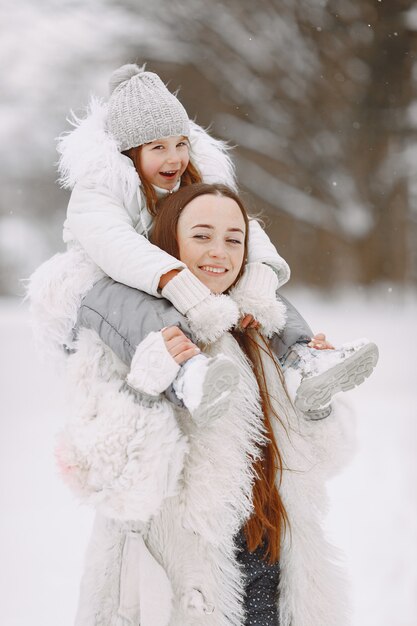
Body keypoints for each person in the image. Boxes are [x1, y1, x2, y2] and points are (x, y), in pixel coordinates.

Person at [57, 182, 353, 626]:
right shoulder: (124, 331)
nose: (220, 251)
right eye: (201, 235)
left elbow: (323, 461)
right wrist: (143, 387)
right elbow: (105, 483)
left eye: (234, 239)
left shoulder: (260, 329)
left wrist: (319, 401)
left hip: (272, 569)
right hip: (173, 581)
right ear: (167, 243)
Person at [28, 62, 378, 427]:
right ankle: (186, 372)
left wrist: (258, 275)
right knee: (127, 306)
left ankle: (301, 361)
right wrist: (176, 281)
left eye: (181, 144)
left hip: (174, 273)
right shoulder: (101, 187)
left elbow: (242, 227)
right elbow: (113, 244)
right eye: (158, 147)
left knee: (261, 293)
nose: (174, 157)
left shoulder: (190, 182)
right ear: (131, 152)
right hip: (108, 280)